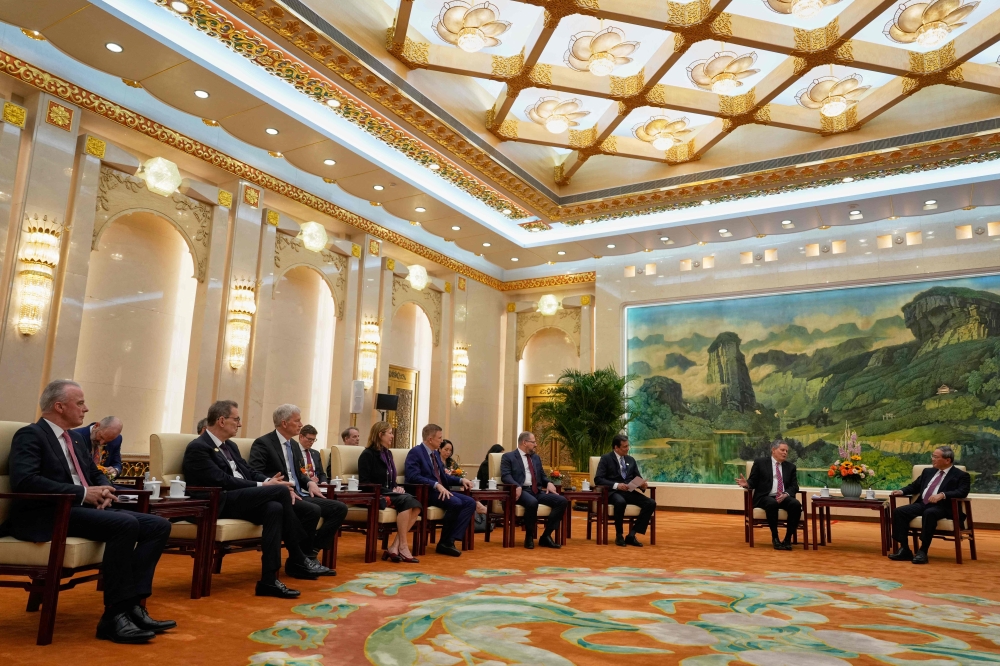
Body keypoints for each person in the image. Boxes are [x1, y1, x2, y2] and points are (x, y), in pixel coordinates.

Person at [3, 380, 174, 643]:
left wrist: (104, 489)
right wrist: (83, 493)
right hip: (47, 514)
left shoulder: (74, 438)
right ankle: (114, 617)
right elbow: (25, 481)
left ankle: (134, 605)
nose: (86, 409)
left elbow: (94, 473)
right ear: (59, 406)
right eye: (80, 403)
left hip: (79, 510)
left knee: (158, 526)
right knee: (125, 524)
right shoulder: (30, 435)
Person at [183, 400, 324, 599]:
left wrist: (268, 481)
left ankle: (268, 580)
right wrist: (263, 486)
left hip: (240, 498)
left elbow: (248, 471)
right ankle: (298, 554)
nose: (239, 424)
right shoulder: (199, 447)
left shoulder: (230, 446)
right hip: (219, 501)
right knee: (280, 492)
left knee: (274, 508)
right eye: (236, 419)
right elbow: (222, 480)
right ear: (222, 421)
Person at [248, 405, 347, 571]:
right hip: (282, 495)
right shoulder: (263, 443)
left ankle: (310, 554)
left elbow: (299, 473)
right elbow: (254, 472)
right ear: (284, 423)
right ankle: (299, 562)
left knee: (339, 508)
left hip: (301, 493)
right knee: (312, 510)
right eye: (297, 420)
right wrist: (272, 482)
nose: (301, 424)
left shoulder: (293, 445)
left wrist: (309, 482)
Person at [889, 446, 971, 564]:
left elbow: (962, 492)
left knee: (929, 513)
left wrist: (942, 495)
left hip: (944, 507)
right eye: (932, 456)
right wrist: (901, 491)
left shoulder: (961, 475)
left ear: (947, 460)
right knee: (899, 512)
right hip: (923, 503)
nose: (932, 459)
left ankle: (923, 551)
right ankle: (904, 549)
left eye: (936, 457)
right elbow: (914, 486)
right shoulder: (928, 471)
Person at [404, 423, 476, 557]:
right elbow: (412, 476)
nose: (442, 441)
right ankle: (445, 543)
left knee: (470, 502)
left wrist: (461, 480)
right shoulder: (416, 452)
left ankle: (449, 540)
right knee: (456, 503)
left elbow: (443, 476)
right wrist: (435, 484)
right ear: (430, 439)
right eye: (439, 438)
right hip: (427, 492)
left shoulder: (435, 454)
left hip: (441, 491)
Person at [358, 422, 422, 563]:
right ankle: (403, 546)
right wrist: (390, 490)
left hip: (390, 493)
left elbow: (390, 479)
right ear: (380, 435)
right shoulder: (367, 454)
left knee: (416, 506)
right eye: (390, 433)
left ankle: (395, 546)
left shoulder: (388, 453)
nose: (392, 436)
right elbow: (364, 483)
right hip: (376, 495)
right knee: (408, 501)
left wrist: (397, 488)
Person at [500, 432, 566, 549]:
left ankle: (546, 536)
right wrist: (517, 486)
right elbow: (505, 476)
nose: (536, 445)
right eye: (533, 442)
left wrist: (549, 483)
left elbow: (542, 475)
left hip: (536, 491)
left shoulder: (536, 458)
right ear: (524, 442)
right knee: (532, 502)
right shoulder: (508, 457)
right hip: (521, 491)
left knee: (561, 501)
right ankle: (529, 536)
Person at [739, 440, 801, 551]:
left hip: (783, 496)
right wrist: (747, 484)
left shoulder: (790, 467)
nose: (785, 453)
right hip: (765, 497)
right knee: (772, 503)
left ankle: (787, 540)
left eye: (786, 451)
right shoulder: (760, 463)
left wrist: (786, 494)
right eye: (782, 450)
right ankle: (775, 538)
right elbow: (753, 481)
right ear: (773, 450)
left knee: (796, 504)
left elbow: (794, 486)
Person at [595, 434, 656, 547]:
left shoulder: (631, 460)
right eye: (624, 446)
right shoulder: (606, 458)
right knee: (620, 502)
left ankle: (632, 535)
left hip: (628, 491)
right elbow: (598, 479)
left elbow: (637, 477)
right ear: (616, 447)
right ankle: (619, 535)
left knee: (650, 503)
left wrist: (642, 485)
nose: (627, 448)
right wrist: (617, 485)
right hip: (613, 492)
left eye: (628, 446)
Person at [71, 415, 123, 481]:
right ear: (96, 426)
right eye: (101, 437)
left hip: (104, 482)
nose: (101, 443)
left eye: (107, 441)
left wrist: (115, 470)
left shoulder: (116, 440)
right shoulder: (75, 436)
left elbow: (117, 463)